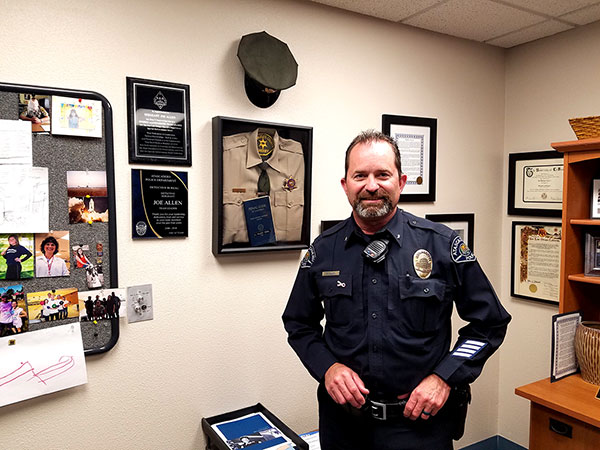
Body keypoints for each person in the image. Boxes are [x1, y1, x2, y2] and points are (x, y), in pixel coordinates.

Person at [282, 130, 511, 450]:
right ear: (345, 185)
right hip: (345, 425)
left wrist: (446, 376)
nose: (371, 185)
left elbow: (489, 323)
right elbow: (298, 324)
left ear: (401, 183)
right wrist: (328, 368)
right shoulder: (323, 251)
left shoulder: (442, 245)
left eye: (382, 174)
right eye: (360, 175)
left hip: (419, 425)